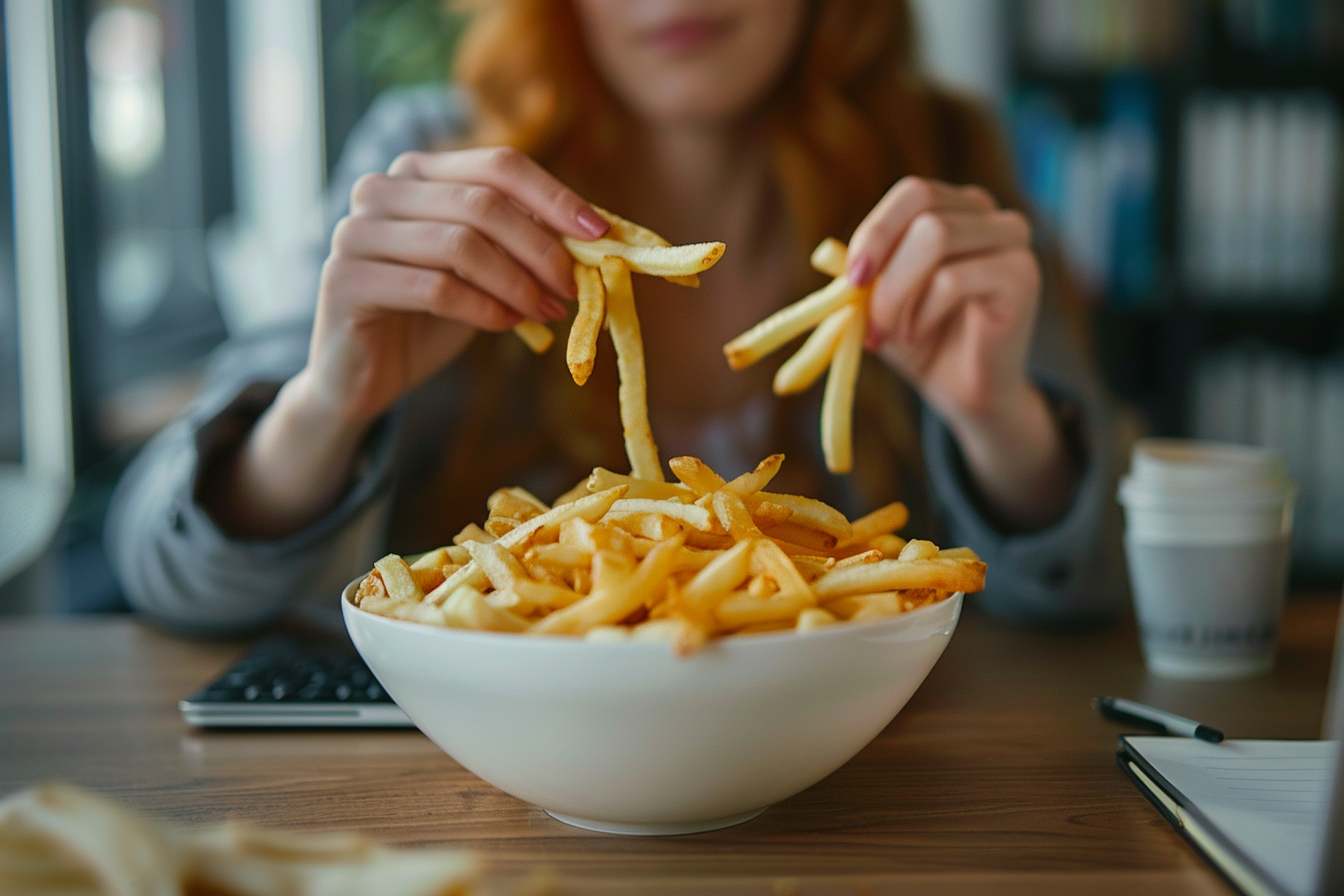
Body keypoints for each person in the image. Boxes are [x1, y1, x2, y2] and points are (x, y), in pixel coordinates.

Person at [108, 0, 1123, 635]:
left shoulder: (941, 157)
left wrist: (1002, 420)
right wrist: (328, 401)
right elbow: (161, 566)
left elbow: (1114, 582)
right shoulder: (432, 156)